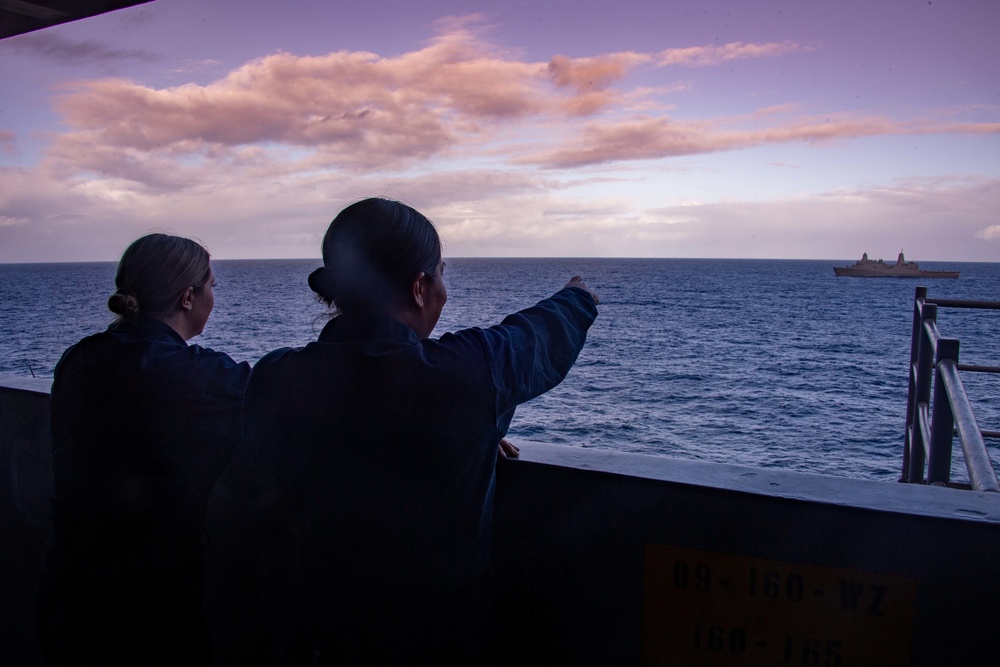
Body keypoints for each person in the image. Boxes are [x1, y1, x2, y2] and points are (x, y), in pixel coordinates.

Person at [240, 197, 599, 665]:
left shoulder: (275, 377)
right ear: (420, 287)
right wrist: (577, 295)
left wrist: (477, 436)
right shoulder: (465, 375)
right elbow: (534, 339)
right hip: (438, 639)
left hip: (315, 633)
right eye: (442, 273)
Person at [37, 233, 251, 666]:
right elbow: (278, 389)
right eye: (211, 286)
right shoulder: (192, 374)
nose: (214, 296)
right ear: (187, 297)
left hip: (69, 587)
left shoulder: (79, 358)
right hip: (149, 604)